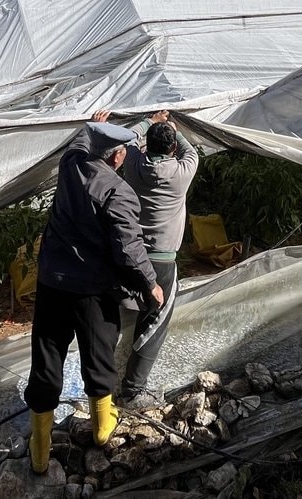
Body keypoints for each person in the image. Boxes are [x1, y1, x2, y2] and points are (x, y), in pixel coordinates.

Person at [22, 115, 164, 474]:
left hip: (53, 282)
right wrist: (151, 283)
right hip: (91, 290)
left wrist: (101, 126)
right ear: (118, 158)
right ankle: (103, 428)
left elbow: (83, 143)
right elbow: (128, 248)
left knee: (47, 354)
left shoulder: (70, 164)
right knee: (98, 351)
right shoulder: (118, 191)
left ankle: (40, 447)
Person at [120, 109, 199, 407]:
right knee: (153, 323)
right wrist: (173, 128)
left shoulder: (133, 164)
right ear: (172, 148)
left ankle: (104, 381)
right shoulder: (182, 171)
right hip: (162, 261)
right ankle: (132, 391)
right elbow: (189, 148)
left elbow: (128, 139)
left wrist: (151, 122)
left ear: (147, 145)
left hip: (130, 255)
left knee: (118, 316)